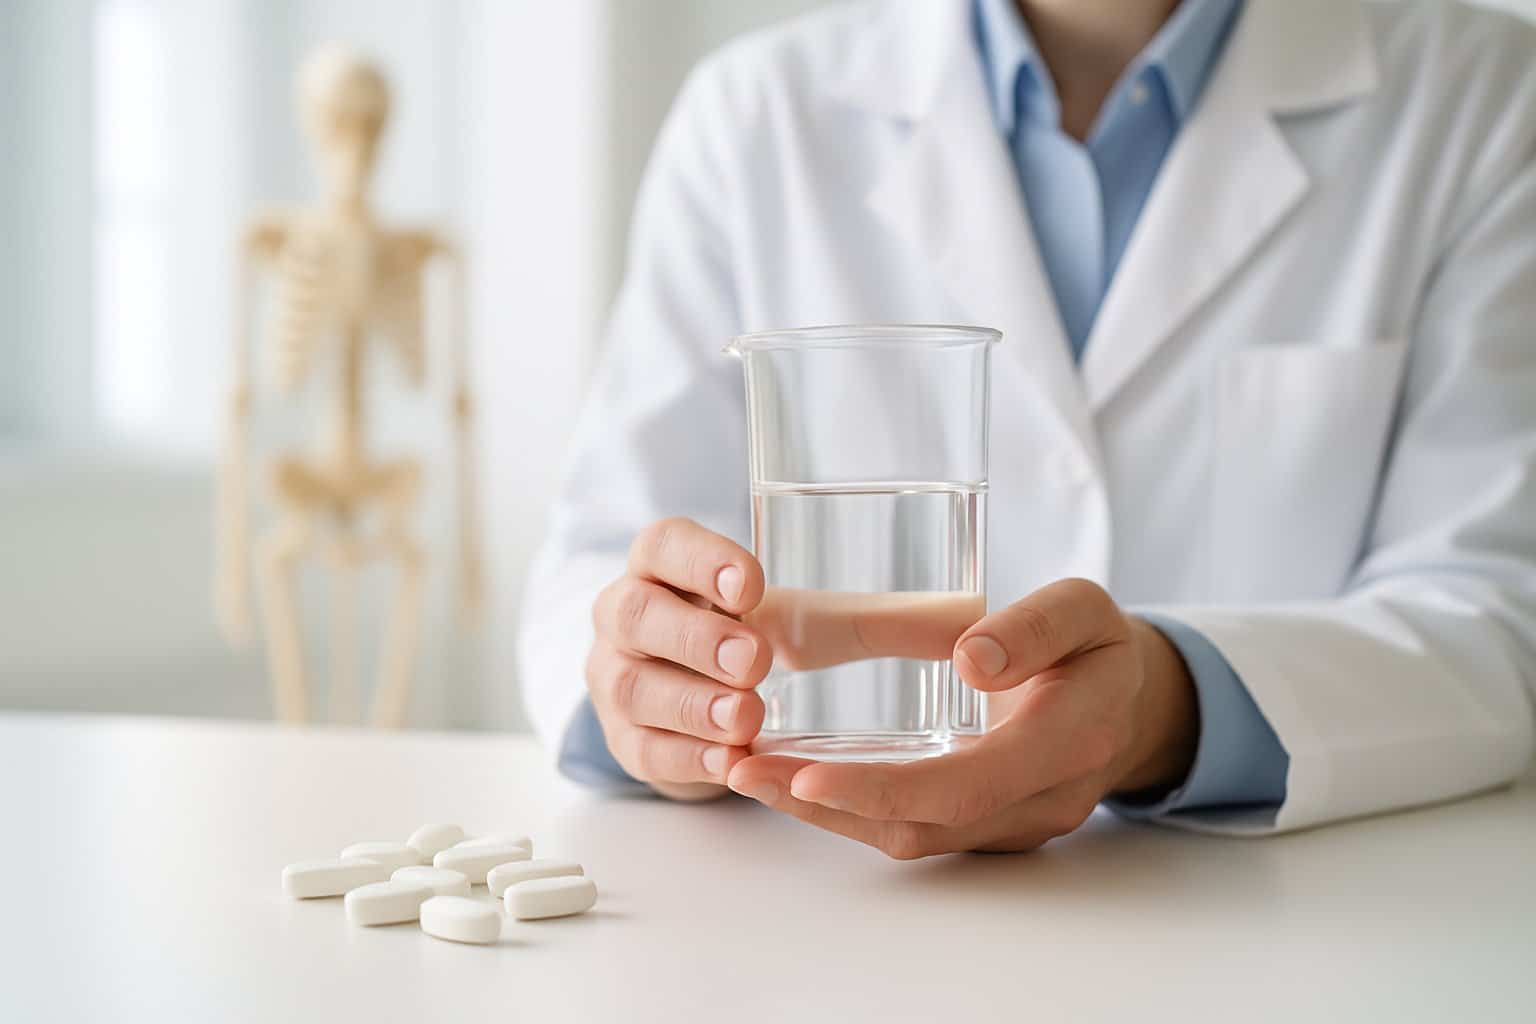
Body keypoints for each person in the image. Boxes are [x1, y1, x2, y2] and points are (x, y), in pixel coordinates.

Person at [520, 0, 1536, 856]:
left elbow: (1499, 617)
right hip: (819, 927)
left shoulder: (1486, 95)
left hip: (1304, 936)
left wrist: (1168, 709)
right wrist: (657, 691)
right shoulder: (754, 115)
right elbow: (598, 574)